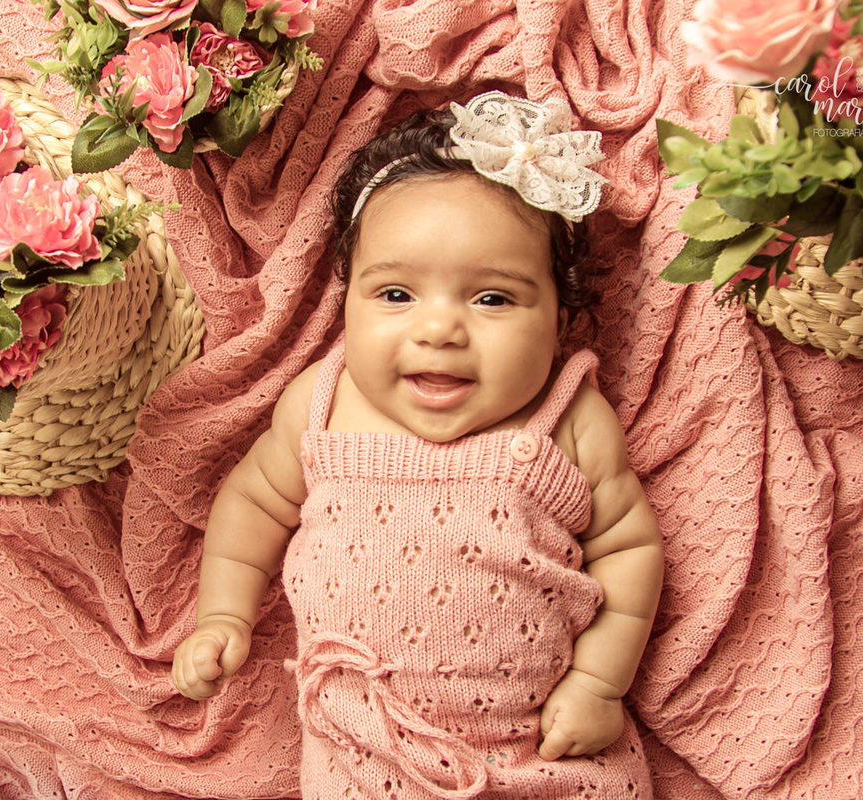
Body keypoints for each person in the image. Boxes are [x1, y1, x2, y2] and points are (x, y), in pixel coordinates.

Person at [171, 91, 664, 799]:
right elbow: (252, 502)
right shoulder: (324, 399)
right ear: (348, 300)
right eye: (396, 295)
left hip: (538, 753)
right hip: (363, 749)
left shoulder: (566, 419)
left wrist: (597, 683)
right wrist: (222, 614)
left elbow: (630, 552)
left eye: (491, 299)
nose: (438, 330)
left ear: (562, 318)